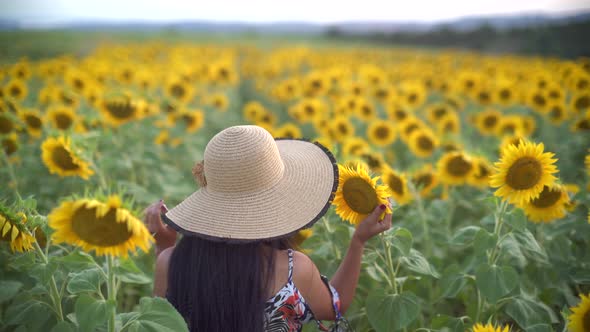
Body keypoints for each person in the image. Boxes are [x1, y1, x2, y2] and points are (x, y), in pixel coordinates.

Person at [144, 125, 392, 332]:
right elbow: (334, 306)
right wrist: (358, 242)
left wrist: (164, 247)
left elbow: (163, 321)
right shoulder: (295, 270)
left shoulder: (170, 263)